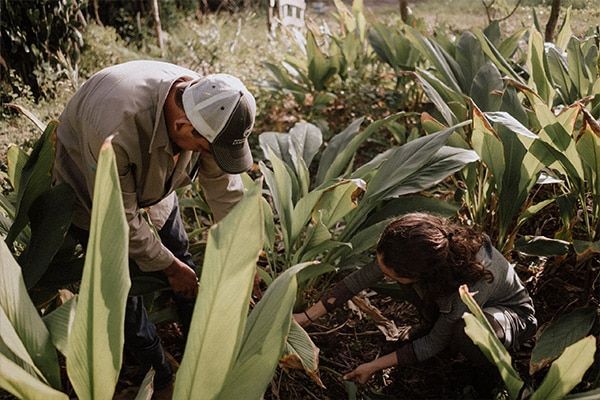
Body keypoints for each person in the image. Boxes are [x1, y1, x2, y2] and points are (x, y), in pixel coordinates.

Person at [52, 60, 256, 392]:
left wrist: (244, 255)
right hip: (93, 200)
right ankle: (158, 377)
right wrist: (168, 267)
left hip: (156, 189)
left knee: (183, 260)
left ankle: (200, 351)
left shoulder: (205, 103)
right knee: (122, 291)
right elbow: (120, 219)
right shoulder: (115, 127)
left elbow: (222, 183)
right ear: (183, 128)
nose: (206, 154)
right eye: (204, 147)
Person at [295, 213, 537, 395]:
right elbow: (360, 279)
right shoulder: (421, 243)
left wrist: (372, 366)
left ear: (422, 273)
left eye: (391, 273)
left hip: (509, 317)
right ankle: (436, 326)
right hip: (449, 303)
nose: (383, 274)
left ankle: (489, 375)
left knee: (465, 330)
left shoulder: (469, 284)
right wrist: (306, 316)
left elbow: (433, 343)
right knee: (436, 311)